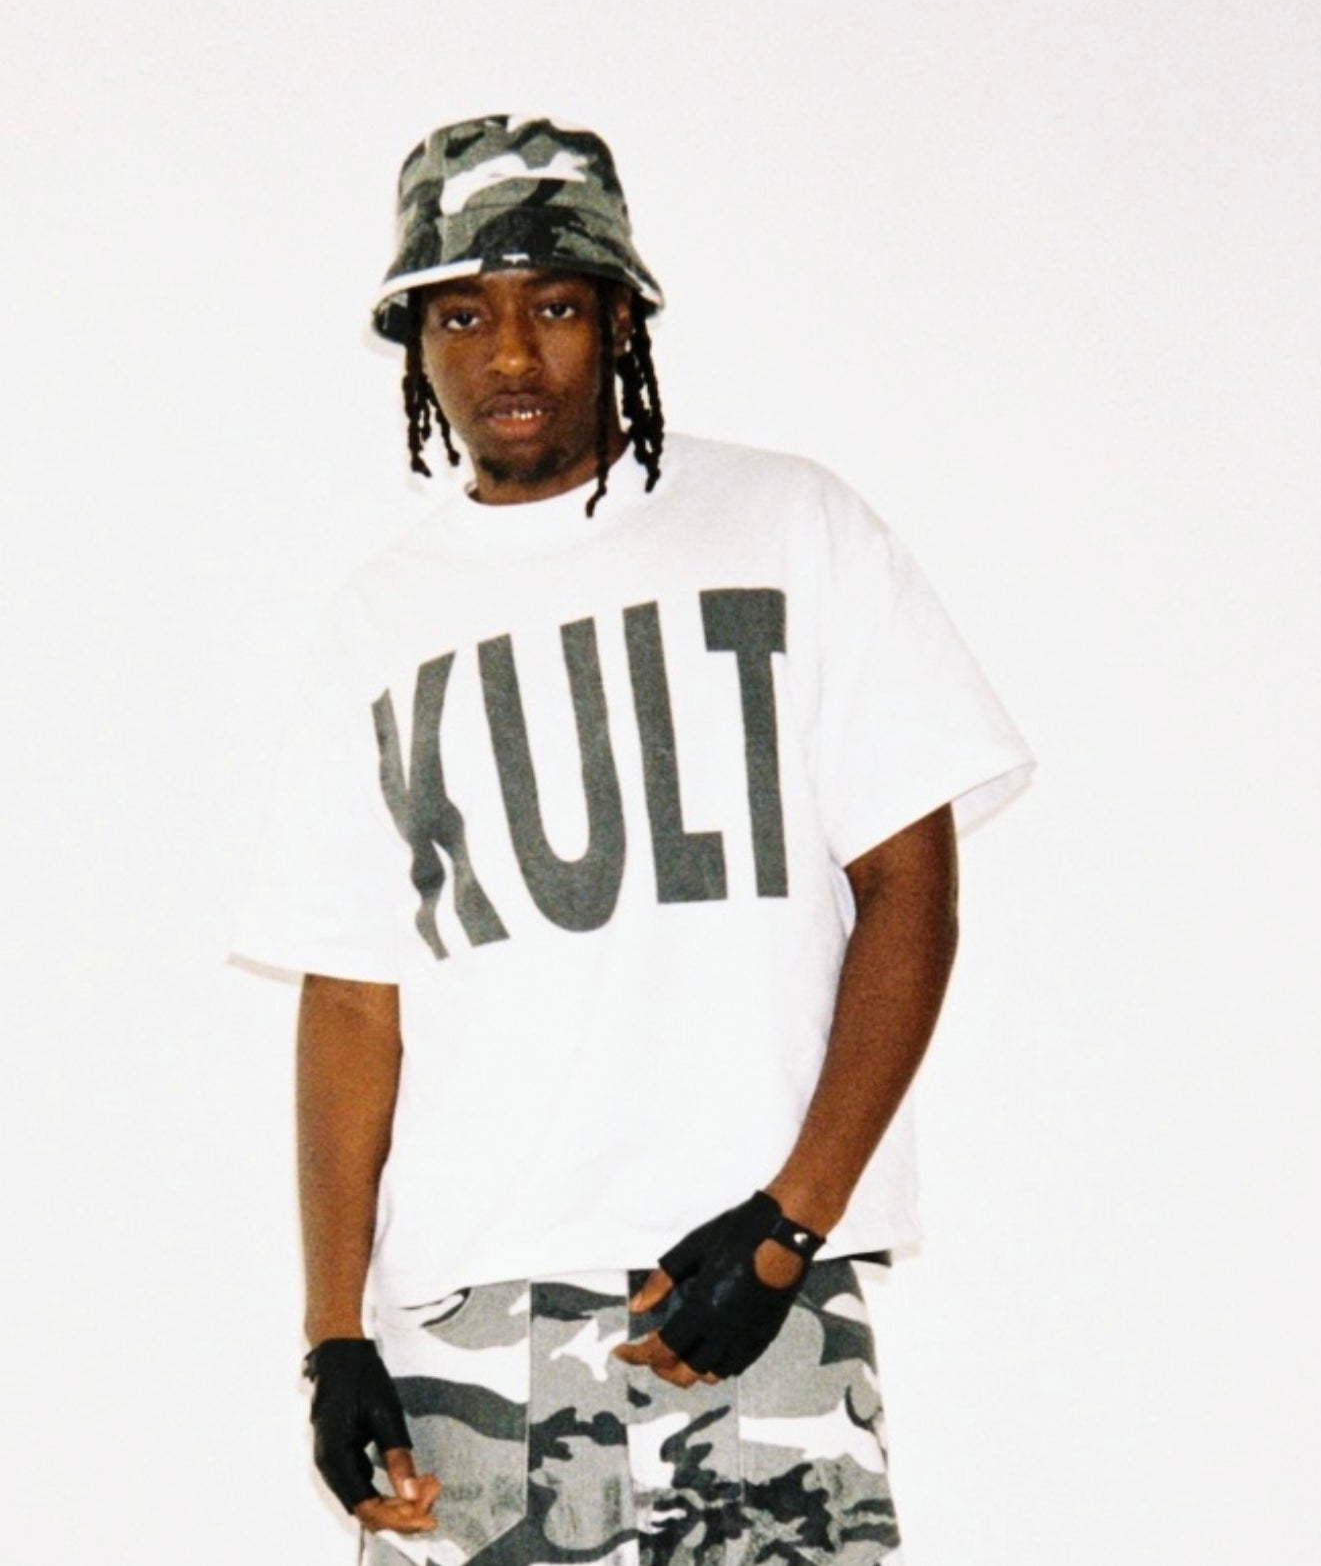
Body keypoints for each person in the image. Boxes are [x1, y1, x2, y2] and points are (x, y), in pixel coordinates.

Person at [233, 115, 1033, 1564]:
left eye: (552, 305)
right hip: (463, 1331)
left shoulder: (791, 528)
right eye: (462, 315)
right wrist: (332, 1335)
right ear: (415, 346)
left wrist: (794, 1221)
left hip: (749, 1298)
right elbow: (352, 1000)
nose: (510, 354)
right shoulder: (378, 621)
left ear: (617, 318)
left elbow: (910, 886)